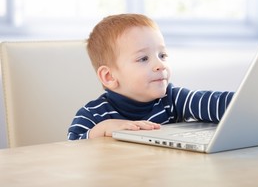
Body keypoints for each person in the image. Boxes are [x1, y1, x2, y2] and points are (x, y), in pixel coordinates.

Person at [68, 14, 234, 140]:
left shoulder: (172, 99)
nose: (160, 65)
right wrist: (99, 131)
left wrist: (254, 100)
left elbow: (221, 104)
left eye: (162, 55)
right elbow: (70, 154)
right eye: (144, 59)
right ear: (109, 76)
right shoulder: (92, 115)